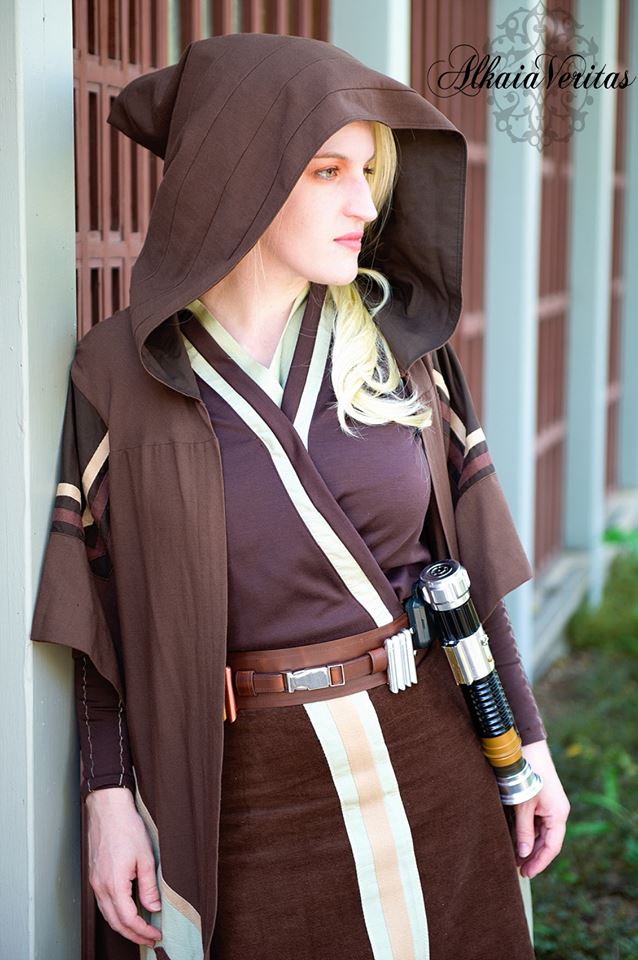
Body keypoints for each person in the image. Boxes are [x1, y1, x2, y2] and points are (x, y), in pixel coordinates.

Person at [30, 32, 569, 960]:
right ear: (239, 176)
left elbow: (467, 574)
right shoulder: (122, 370)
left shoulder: (403, 345)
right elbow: (105, 614)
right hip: (244, 794)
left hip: (435, 758)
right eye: (328, 171)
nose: (366, 202)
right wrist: (107, 794)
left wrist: (529, 746)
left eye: (368, 172)